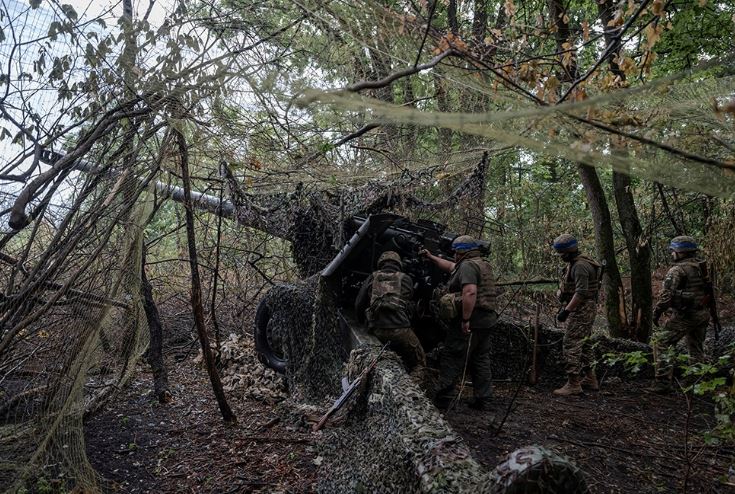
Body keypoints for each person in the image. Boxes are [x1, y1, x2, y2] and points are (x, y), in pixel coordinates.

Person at [421, 235, 497, 410]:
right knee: (480, 359)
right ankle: (484, 400)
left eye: (456, 252)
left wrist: (465, 320)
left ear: (463, 252)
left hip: (472, 321)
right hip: (487, 321)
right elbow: (450, 267)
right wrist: (431, 257)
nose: (453, 255)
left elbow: (470, 292)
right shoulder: (481, 264)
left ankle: (442, 400)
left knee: (453, 357)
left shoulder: (468, 266)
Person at [650, 236, 711, 394]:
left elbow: (666, 296)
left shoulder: (677, 270)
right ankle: (696, 382)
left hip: (687, 315)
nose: (672, 254)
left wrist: (656, 314)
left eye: (673, 251)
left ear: (680, 252)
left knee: (660, 342)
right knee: (696, 347)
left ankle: (663, 383)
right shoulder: (701, 267)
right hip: (702, 313)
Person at [355, 250, 426, 375]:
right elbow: (409, 305)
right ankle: (411, 389)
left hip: (376, 330)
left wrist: (363, 322)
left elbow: (359, 303)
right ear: (398, 264)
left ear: (381, 263)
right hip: (400, 331)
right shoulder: (406, 279)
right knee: (419, 362)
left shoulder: (372, 276)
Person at [552, 234, 601, 396]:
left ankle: (573, 383)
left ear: (568, 251)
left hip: (582, 309)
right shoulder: (578, 263)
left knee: (571, 343)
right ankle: (590, 378)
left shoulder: (580, 266)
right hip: (585, 308)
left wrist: (566, 312)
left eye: (561, 254)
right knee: (585, 343)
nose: (560, 257)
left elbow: (580, 293)